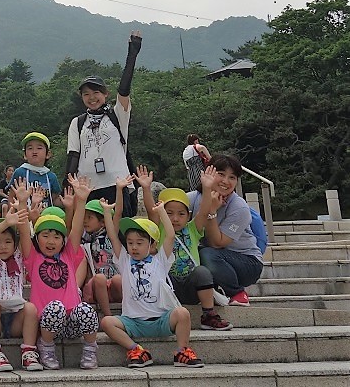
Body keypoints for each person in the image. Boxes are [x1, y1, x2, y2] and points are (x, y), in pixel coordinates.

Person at [98, 199, 205, 368]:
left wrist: (162, 211)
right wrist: (106, 211)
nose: (134, 247)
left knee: (182, 313)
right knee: (107, 322)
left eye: (139, 243)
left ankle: (182, 351)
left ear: (152, 244)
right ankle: (137, 350)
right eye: (130, 243)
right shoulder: (124, 261)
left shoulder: (160, 260)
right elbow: (112, 236)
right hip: (133, 322)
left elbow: (170, 235)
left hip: (161, 320)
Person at [23, 175, 100, 370]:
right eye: (45, 235)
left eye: (56, 236)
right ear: (37, 238)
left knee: (86, 310)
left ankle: (90, 349)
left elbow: (75, 229)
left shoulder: (68, 254)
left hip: (71, 323)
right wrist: (24, 203)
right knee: (55, 307)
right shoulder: (33, 257)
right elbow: (24, 232)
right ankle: (46, 348)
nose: (51, 241)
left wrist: (81, 201)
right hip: (46, 322)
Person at [139, 173, 232, 330]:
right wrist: (146, 187)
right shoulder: (159, 229)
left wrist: (207, 188)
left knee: (202, 272)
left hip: (191, 285)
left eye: (181, 214)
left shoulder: (192, 229)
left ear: (188, 215)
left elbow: (203, 211)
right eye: (169, 213)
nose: (175, 218)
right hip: (168, 285)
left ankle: (208, 315)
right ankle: (162, 316)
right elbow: (151, 210)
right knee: (156, 274)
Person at [65, 31, 142, 215]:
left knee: (121, 234)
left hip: (117, 184)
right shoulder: (77, 123)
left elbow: (124, 90)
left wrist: (132, 54)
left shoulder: (117, 115)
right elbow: (72, 157)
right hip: (87, 189)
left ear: (105, 93)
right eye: (86, 94)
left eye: (96, 93)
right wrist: (67, 188)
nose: (91, 98)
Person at [187, 156, 264, 307]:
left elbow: (217, 243)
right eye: (221, 174)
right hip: (216, 259)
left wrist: (211, 211)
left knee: (207, 253)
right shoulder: (194, 198)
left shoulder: (239, 207)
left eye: (232, 177)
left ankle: (237, 293)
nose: (225, 181)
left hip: (246, 262)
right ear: (208, 173)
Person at [0, 205, 42, 372]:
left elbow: (25, 234)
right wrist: (5, 223)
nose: (3, 246)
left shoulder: (18, 257)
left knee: (31, 307)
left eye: (8, 242)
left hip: (15, 318)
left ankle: (28, 351)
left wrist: (22, 201)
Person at [80, 176, 130, 318]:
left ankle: (127, 312)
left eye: (89, 217)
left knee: (118, 279)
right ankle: (107, 316)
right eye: (84, 217)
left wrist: (119, 190)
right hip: (98, 285)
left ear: (102, 222)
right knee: (100, 278)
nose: (85, 221)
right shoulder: (86, 240)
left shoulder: (111, 237)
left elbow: (118, 213)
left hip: (114, 285)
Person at [10, 132, 61, 209]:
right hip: (24, 216)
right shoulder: (20, 172)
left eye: (39, 148)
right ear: (25, 155)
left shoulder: (51, 176)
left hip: (45, 217)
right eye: (30, 148)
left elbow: (54, 199)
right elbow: (11, 196)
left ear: (48, 154)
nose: (34, 151)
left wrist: (70, 201)